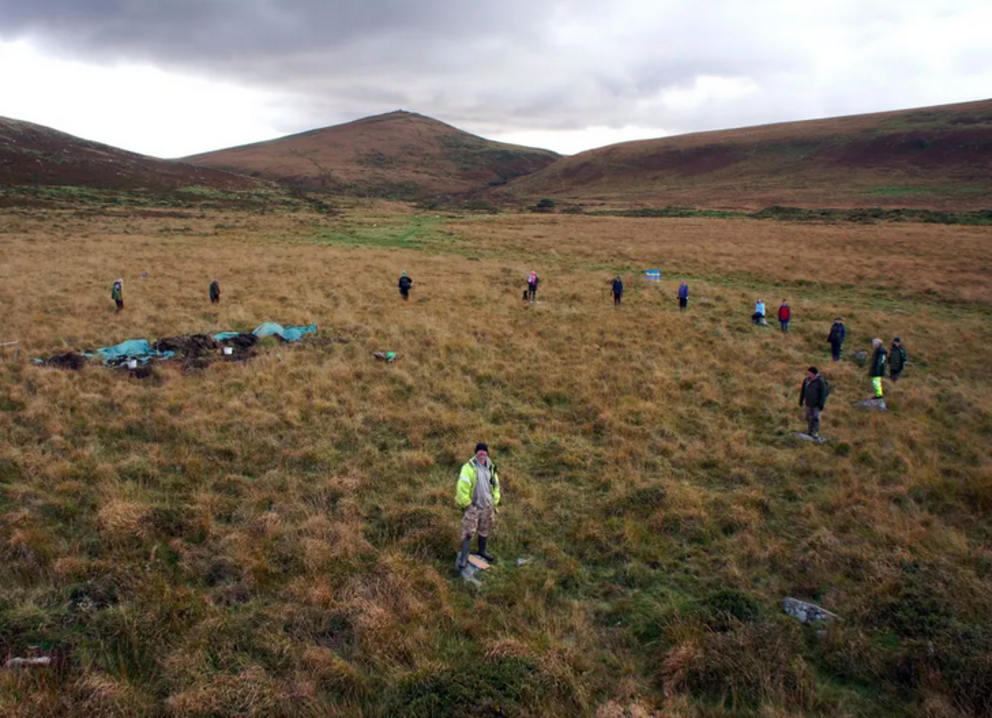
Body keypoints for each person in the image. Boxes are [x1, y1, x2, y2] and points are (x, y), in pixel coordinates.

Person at [455, 442, 501, 570]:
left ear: (487, 454)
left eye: (484, 452)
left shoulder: (492, 468)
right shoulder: (468, 467)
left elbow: (496, 486)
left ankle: (482, 551)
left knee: (485, 529)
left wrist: (495, 501)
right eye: (480, 451)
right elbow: (461, 488)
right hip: (473, 507)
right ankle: (464, 558)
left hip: (487, 506)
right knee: (468, 531)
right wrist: (467, 505)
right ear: (476, 453)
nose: (482, 454)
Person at [799, 366, 829, 438]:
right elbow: (803, 391)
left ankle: (815, 432)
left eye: (810, 373)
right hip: (808, 402)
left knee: (816, 418)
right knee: (809, 417)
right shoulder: (806, 380)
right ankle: (809, 430)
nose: (808, 374)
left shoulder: (820, 382)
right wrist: (801, 400)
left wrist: (821, 404)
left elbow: (823, 394)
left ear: (814, 373)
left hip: (816, 404)